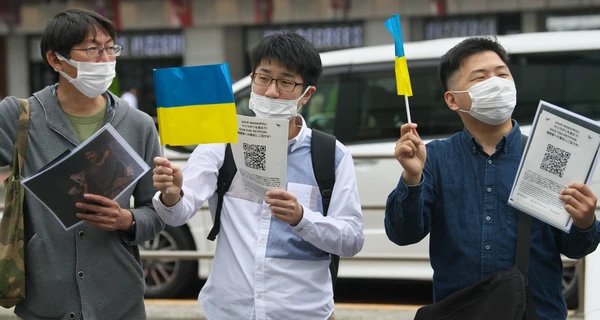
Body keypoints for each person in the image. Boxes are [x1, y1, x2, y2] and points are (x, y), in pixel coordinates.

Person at [384, 36, 600, 320]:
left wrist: (585, 223)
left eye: (502, 74)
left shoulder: (545, 153)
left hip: (536, 312)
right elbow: (403, 234)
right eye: (480, 77)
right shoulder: (434, 158)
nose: (496, 83)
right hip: (461, 312)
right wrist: (412, 178)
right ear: (452, 99)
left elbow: (575, 248)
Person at [152, 32, 364, 320]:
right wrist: (172, 193)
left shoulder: (331, 154)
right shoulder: (221, 143)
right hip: (230, 310)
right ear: (252, 78)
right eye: (264, 78)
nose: (271, 92)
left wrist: (302, 218)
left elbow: (351, 239)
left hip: (304, 312)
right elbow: (176, 215)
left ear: (307, 94)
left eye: (286, 82)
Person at [0, 9, 164, 319]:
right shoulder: (20, 118)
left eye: (110, 47)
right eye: (92, 49)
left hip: (119, 299)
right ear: (56, 60)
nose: (105, 58)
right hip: (45, 300)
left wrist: (126, 220)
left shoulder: (138, 125)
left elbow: (154, 212)